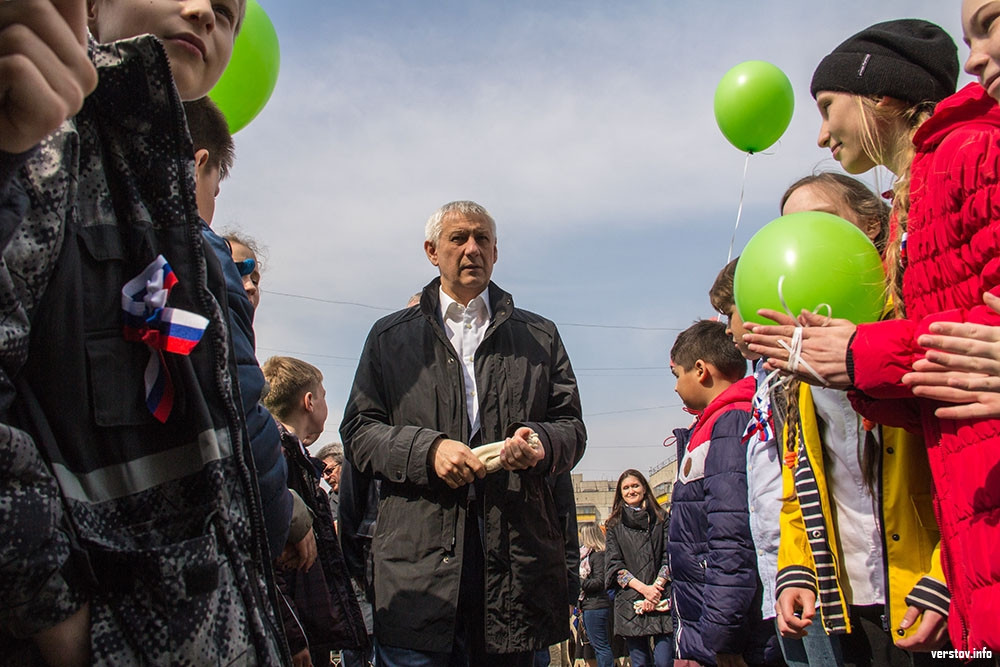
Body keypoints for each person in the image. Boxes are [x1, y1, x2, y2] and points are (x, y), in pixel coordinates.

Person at [0, 0, 288, 664]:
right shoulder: (41, 137)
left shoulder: (179, 219)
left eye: (227, 10)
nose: (203, 13)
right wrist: (58, 612)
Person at [743, 17, 1000, 652]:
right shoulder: (928, 191)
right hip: (924, 570)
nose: (821, 133)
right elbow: (938, 400)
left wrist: (858, 354)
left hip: (946, 568)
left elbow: (969, 346)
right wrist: (846, 368)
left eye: (828, 107)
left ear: (880, 95)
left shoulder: (966, 156)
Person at [340, 200, 587, 666]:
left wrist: (539, 441)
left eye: (483, 239)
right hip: (419, 569)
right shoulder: (389, 337)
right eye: (458, 238)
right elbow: (358, 431)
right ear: (432, 251)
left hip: (516, 564)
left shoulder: (540, 336)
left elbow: (571, 427)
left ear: (496, 253)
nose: (472, 248)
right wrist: (427, 450)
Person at [777, 175, 952, 665]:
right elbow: (801, 479)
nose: (805, 241)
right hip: (849, 605)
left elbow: (967, 464)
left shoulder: (915, 321)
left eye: (821, 222)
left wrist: (947, 570)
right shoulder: (800, 363)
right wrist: (797, 570)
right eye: (792, 231)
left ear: (872, 224)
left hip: (932, 592)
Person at [185, 95, 311, 573]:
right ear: (201, 166)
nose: (249, 282)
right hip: (205, 556)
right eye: (216, 189)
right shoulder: (199, 257)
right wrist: (284, 517)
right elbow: (236, 405)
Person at [669, 320, 780, 667]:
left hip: (733, 639)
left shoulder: (730, 423)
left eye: (676, 374)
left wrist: (721, 636)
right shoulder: (710, 425)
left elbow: (732, 536)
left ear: (701, 371)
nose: (674, 388)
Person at [262, 356, 369, 667]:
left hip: (305, 629)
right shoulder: (277, 457)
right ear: (309, 401)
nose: (325, 401)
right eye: (323, 394)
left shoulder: (295, 457)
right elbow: (270, 564)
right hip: (294, 634)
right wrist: (293, 639)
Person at [603, 469, 672, 667]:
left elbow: (670, 555)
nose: (631, 491)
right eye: (626, 488)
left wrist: (656, 589)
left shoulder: (661, 518)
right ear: (620, 492)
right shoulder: (614, 524)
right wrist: (644, 590)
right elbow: (615, 566)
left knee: (664, 661)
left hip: (662, 598)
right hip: (630, 602)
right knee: (640, 663)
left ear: (644, 488)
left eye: (635, 485)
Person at [577, 522, 614, 667]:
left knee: (601, 646)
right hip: (589, 605)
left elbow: (599, 582)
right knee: (597, 645)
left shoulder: (598, 556)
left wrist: (579, 581)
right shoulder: (588, 556)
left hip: (596, 606)